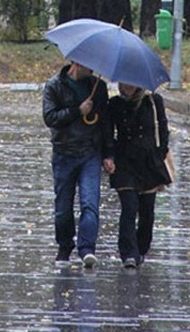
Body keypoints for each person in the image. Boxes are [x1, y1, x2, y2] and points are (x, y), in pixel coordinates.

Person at [42, 62, 114, 269]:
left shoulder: (97, 87)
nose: (92, 67)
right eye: (87, 64)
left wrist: (108, 153)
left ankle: (87, 249)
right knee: (63, 208)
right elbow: (50, 118)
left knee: (90, 203)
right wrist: (77, 111)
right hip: (64, 153)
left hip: (90, 153)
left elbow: (105, 122)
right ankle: (65, 246)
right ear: (75, 62)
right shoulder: (54, 86)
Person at [106, 83, 172, 269]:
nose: (126, 87)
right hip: (125, 162)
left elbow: (163, 128)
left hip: (148, 162)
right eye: (123, 83)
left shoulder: (153, 101)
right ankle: (128, 253)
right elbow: (108, 133)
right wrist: (109, 156)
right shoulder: (115, 104)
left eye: (130, 84)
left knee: (147, 211)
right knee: (129, 207)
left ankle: (141, 248)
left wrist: (160, 152)